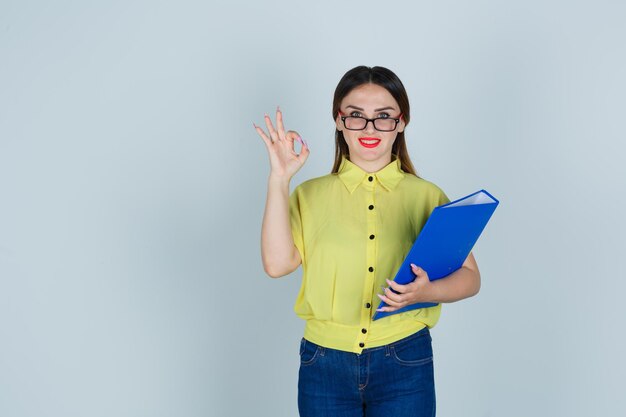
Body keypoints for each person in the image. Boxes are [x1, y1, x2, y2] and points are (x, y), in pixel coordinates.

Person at [254, 65, 481, 417]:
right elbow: (277, 264)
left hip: (405, 357)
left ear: (401, 122)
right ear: (339, 121)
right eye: (357, 116)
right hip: (324, 362)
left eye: (384, 116)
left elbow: (470, 278)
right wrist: (279, 179)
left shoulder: (427, 196)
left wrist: (426, 293)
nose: (370, 128)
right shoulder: (309, 195)